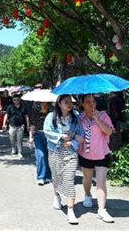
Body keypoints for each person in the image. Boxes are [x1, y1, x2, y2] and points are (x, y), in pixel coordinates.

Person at [44, 95, 84, 225]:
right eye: (65, 102)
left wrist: (72, 142)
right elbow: (47, 132)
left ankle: (71, 210)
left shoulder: (75, 117)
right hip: (55, 151)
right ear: (59, 103)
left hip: (71, 153)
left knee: (69, 179)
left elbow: (81, 135)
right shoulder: (51, 116)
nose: (69, 104)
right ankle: (56, 196)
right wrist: (61, 137)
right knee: (56, 177)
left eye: (70, 102)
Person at [78, 94, 115, 223]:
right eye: (87, 101)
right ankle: (87, 195)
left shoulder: (103, 115)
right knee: (87, 179)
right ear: (82, 104)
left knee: (101, 182)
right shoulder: (79, 118)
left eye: (93, 101)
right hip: (85, 154)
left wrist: (97, 120)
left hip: (101, 153)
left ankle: (101, 210)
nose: (91, 104)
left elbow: (109, 132)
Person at [29, 102, 52, 185]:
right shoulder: (35, 113)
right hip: (38, 135)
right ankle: (41, 177)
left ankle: (48, 175)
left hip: (49, 136)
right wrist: (31, 137)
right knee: (41, 155)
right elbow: (32, 125)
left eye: (46, 105)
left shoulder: (52, 114)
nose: (45, 107)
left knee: (49, 155)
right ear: (40, 105)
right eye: (43, 105)